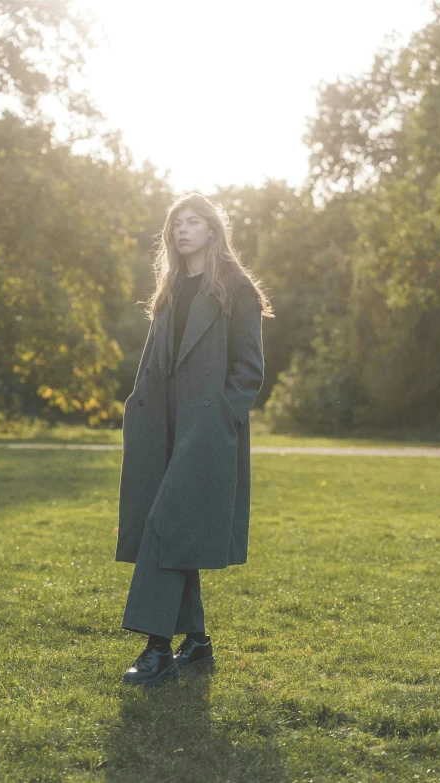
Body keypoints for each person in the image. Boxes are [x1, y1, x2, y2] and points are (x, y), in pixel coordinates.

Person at [116, 192, 274, 685]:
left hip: (205, 428)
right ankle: (198, 643)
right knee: (171, 527)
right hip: (160, 424)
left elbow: (249, 368)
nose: (183, 230)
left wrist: (223, 415)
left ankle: (156, 647)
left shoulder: (235, 288)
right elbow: (155, 359)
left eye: (194, 222)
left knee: (166, 523)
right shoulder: (168, 288)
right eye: (177, 223)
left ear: (212, 230)